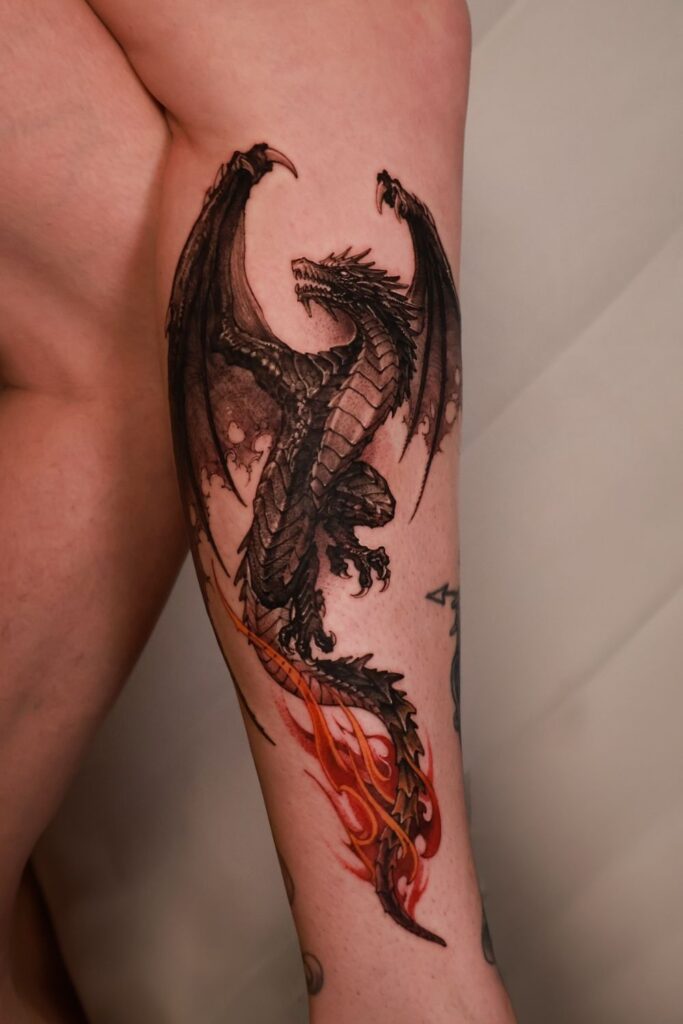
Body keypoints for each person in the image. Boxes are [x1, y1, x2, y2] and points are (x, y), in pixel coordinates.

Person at [0, 1, 515, 1021]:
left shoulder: (341, 363)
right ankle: (404, 990)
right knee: (366, 32)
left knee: (128, 297)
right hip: (286, 578)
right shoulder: (311, 369)